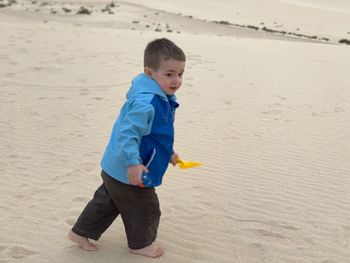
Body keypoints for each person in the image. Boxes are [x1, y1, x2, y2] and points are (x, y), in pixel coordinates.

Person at [68, 38, 186, 258]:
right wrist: (133, 162)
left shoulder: (162, 98)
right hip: (130, 169)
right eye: (169, 74)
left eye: (180, 73)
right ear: (149, 73)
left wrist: (168, 152)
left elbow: (155, 134)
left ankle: (80, 232)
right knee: (146, 208)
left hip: (116, 166)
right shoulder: (146, 102)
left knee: (107, 201)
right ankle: (140, 244)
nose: (176, 80)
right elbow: (127, 134)